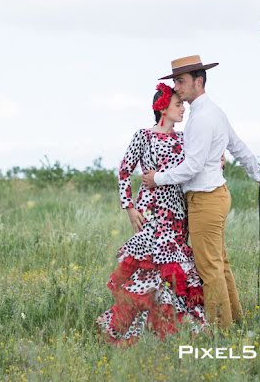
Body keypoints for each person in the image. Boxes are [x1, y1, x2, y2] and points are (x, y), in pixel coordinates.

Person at [142, 55, 260, 331]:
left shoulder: (201, 118)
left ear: (198, 82)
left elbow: (193, 166)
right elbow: (239, 147)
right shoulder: (213, 112)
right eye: (175, 81)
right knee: (220, 264)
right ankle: (234, 320)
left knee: (209, 268)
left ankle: (220, 330)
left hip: (205, 200)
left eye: (181, 81)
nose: (176, 87)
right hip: (216, 195)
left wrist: (157, 179)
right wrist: (257, 174)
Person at [96, 82, 207, 345]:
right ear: (162, 108)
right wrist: (129, 207)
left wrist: (218, 160)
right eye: (178, 105)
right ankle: (125, 325)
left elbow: (198, 164)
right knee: (151, 270)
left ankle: (167, 327)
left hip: (178, 214)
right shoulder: (143, 136)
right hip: (151, 213)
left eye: (182, 105)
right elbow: (124, 170)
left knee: (174, 271)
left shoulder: (184, 138)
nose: (183, 109)